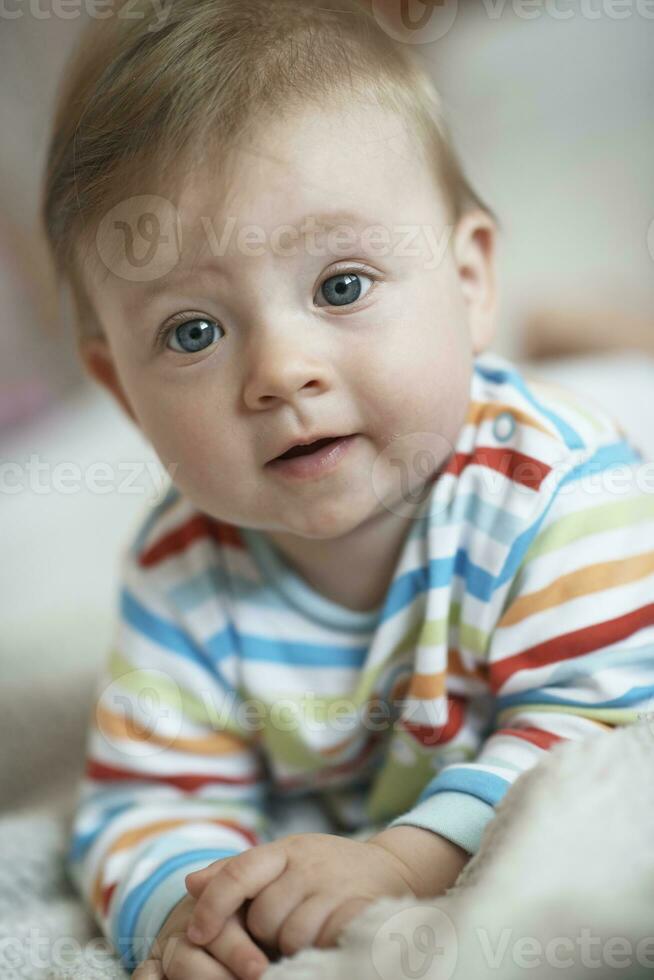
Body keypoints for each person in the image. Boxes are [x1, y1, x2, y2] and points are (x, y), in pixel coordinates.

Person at [40, 2, 654, 978]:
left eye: (341, 285)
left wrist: (398, 858)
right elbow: (145, 799)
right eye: (193, 331)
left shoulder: (562, 486)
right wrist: (182, 912)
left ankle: (600, 329)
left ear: (467, 280)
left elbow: (598, 716)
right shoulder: (181, 571)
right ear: (121, 388)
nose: (282, 370)